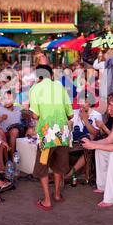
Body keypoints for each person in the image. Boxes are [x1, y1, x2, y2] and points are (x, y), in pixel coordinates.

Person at [29, 65, 73, 211]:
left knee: (43, 166)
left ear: (38, 77)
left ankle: (47, 200)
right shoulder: (60, 88)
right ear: (51, 76)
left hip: (47, 134)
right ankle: (57, 195)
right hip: (63, 133)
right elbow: (71, 114)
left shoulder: (35, 89)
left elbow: (35, 115)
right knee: (58, 164)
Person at [0, 91, 24, 156]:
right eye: (4, 99)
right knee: (14, 131)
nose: (6, 101)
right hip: (5, 133)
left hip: (19, 132)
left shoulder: (19, 109)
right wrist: (1, 119)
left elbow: (24, 121)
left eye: (9, 99)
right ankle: (12, 157)